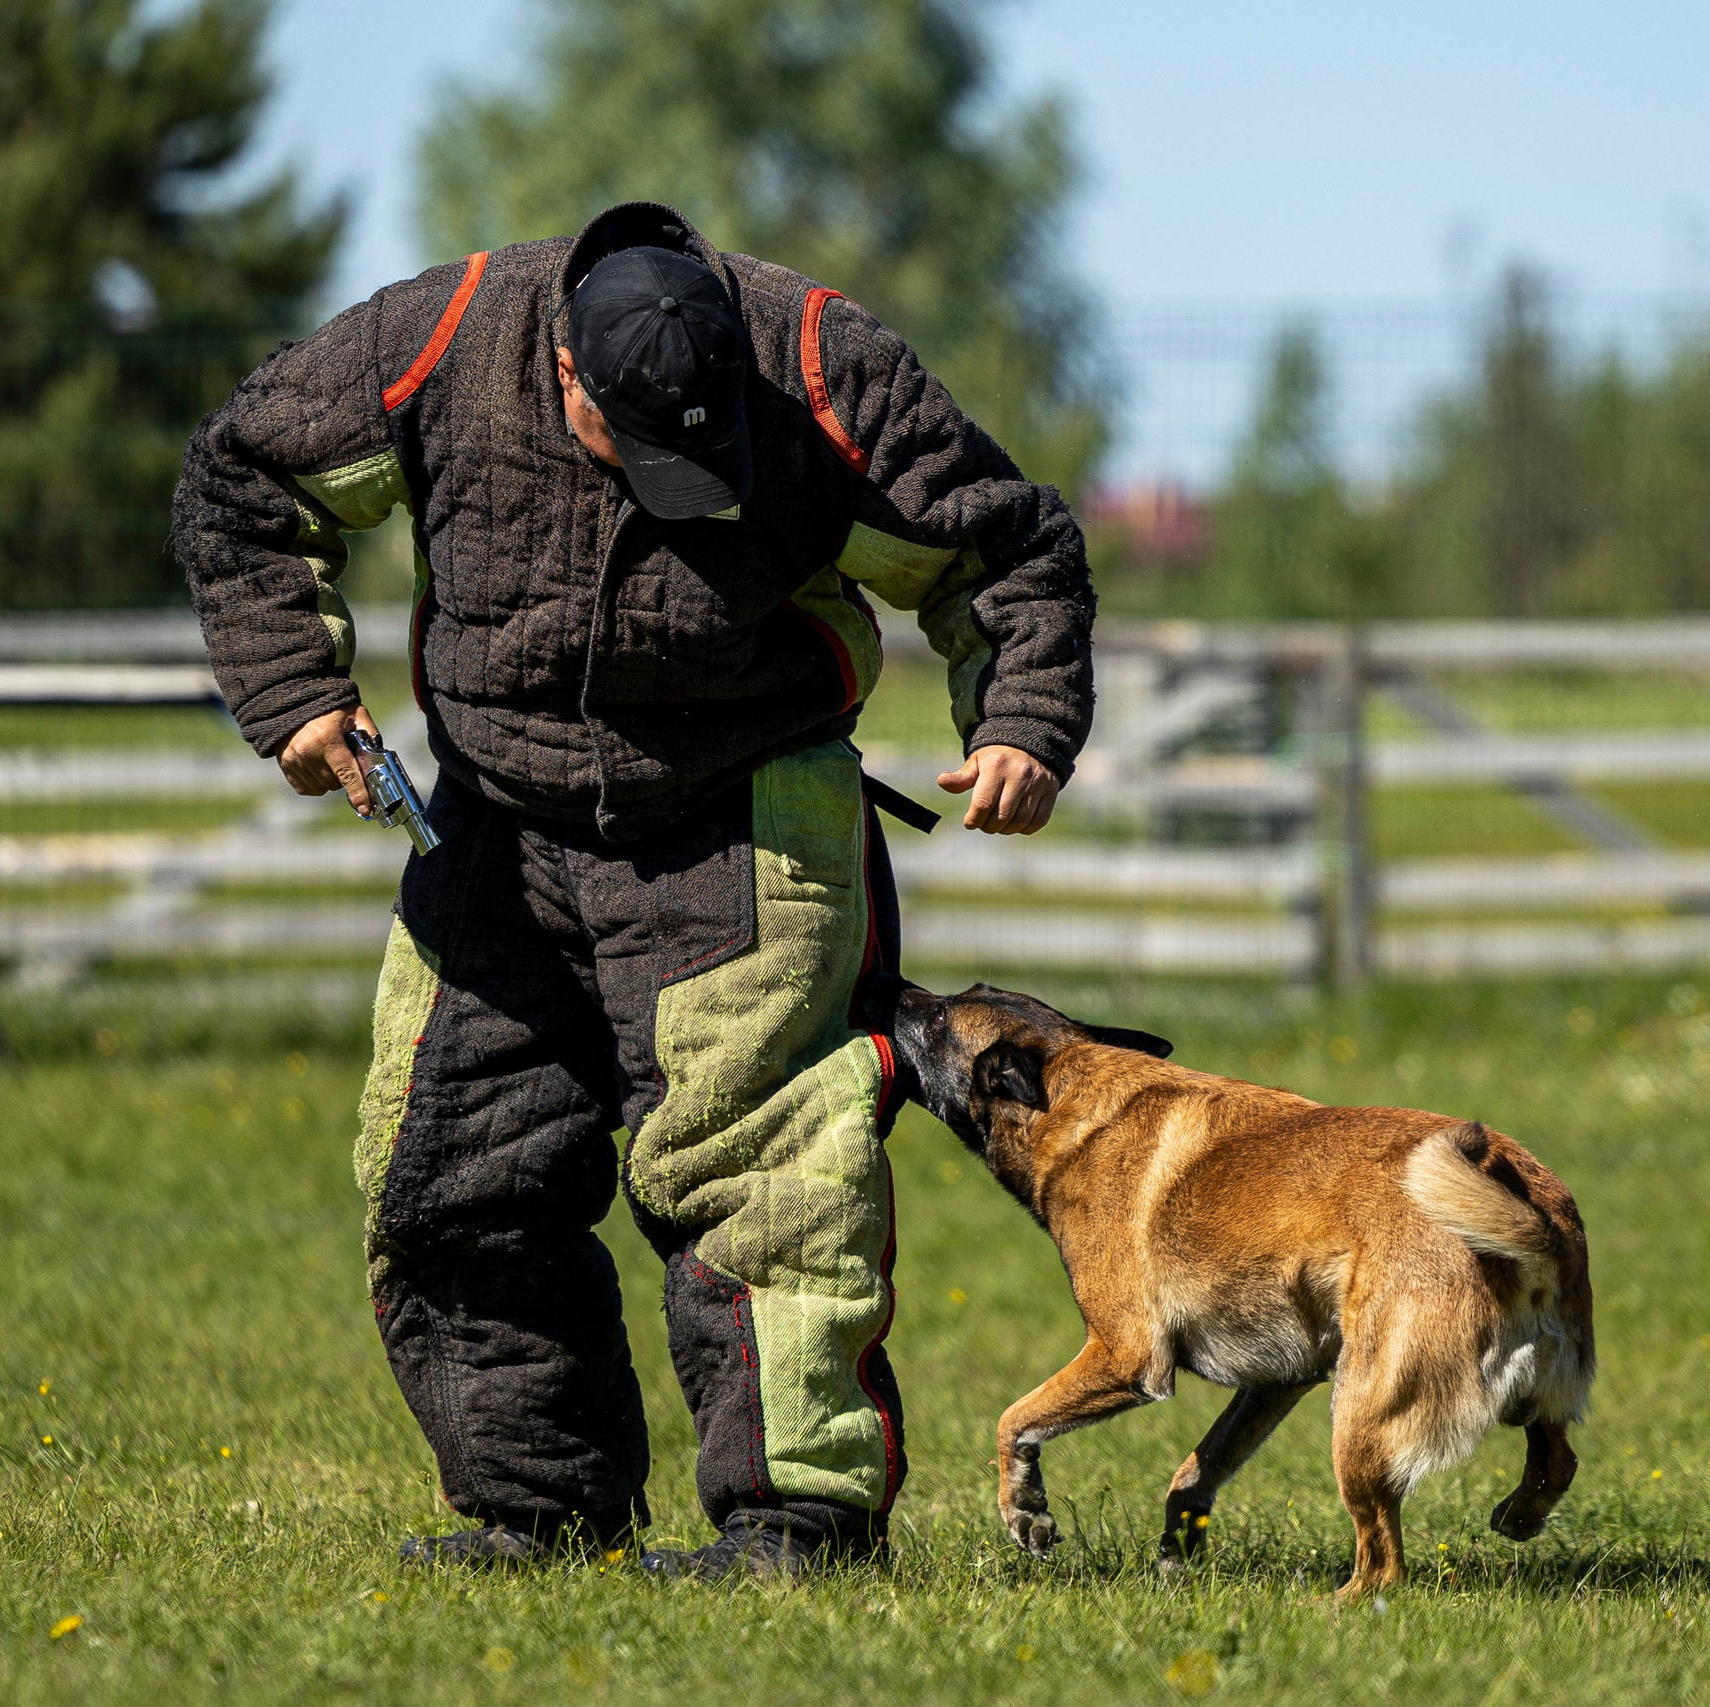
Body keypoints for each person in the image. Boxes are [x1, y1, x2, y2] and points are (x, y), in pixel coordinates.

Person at [171, 200, 1095, 1580]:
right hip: (493, 815)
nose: (688, 470)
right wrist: (297, 695)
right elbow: (243, 476)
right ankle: (541, 1512)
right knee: (448, 1174)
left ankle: (800, 1526)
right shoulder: (438, 341)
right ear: (562, 377)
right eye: (643, 443)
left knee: (769, 1178)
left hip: (744, 813)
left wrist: (1019, 717)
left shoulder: (824, 363)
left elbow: (1003, 549)